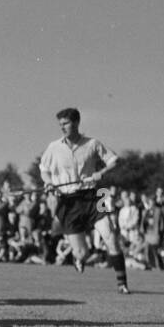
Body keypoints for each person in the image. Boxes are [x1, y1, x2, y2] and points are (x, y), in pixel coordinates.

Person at [38, 107, 130, 293]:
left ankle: (122, 284)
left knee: (111, 237)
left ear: (77, 123)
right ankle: (78, 258)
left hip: (93, 196)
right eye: (60, 124)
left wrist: (100, 173)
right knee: (82, 253)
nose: (62, 127)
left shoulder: (92, 144)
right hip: (67, 201)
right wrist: (48, 182)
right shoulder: (53, 147)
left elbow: (114, 160)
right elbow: (44, 169)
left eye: (66, 123)